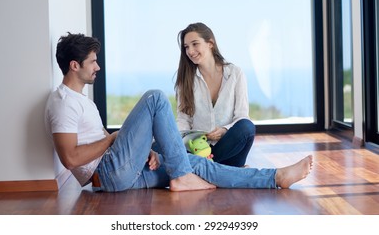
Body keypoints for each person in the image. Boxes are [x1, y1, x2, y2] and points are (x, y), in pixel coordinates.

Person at [44, 32, 313, 192]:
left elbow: (99, 138)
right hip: (108, 175)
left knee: (199, 164)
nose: (98, 67)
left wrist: (145, 151)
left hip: (121, 173)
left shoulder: (82, 101)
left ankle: (276, 177)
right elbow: (70, 159)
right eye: (93, 62)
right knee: (155, 99)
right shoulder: (63, 102)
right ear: (74, 65)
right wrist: (113, 139)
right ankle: (182, 178)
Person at [175, 22, 255, 167]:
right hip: (198, 149)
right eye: (186, 47)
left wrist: (225, 131)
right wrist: (183, 140)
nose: (190, 51)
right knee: (160, 145)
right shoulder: (185, 80)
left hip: (228, 149)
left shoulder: (235, 74)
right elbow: (183, 120)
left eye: (195, 44)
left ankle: (203, 169)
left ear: (210, 43)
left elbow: (242, 116)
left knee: (247, 127)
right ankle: (215, 170)